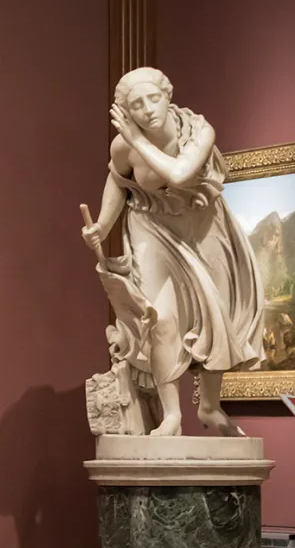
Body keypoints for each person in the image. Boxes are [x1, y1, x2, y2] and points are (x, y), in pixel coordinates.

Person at [80, 67, 264, 436]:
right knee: (159, 318)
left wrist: (137, 139)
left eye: (153, 98)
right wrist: (102, 224)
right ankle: (172, 416)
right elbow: (118, 180)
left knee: (216, 317)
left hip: (204, 226)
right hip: (151, 225)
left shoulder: (199, 131)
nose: (148, 109)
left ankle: (210, 408)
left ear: (168, 95)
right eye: (137, 104)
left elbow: (179, 174)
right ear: (127, 110)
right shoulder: (124, 147)